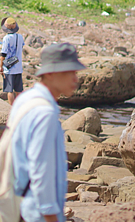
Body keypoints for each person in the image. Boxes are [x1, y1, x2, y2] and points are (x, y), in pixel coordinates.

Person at [10, 42, 86, 222]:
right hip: (35, 213)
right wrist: (51, 216)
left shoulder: (25, 99)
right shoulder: (46, 113)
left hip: (16, 205)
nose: (76, 78)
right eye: (71, 72)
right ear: (51, 73)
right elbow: (41, 172)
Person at [0, 17, 24, 105]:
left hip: (9, 68)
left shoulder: (7, 38)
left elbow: (3, 54)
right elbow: (21, 47)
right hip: (18, 67)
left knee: (10, 91)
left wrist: (1, 67)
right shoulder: (20, 37)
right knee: (19, 90)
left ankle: (11, 108)